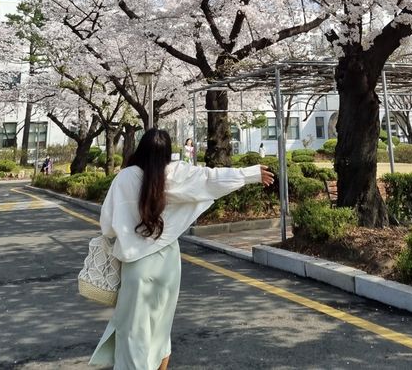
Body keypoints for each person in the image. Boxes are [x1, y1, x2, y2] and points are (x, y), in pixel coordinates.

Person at [89, 128, 274, 370]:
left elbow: (108, 226)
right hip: (167, 263)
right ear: (167, 153)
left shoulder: (124, 178)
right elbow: (210, 178)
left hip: (137, 266)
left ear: (141, 148)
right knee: (160, 329)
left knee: (134, 332)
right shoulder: (175, 174)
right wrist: (249, 174)